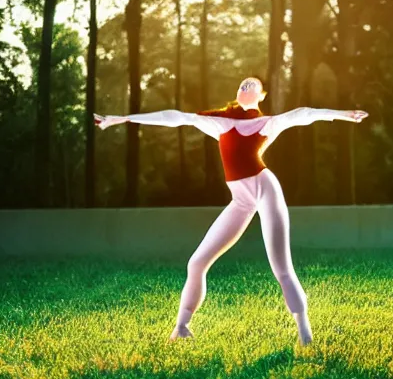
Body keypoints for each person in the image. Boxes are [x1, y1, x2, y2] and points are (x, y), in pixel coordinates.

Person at [94, 76, 368, 346]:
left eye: (252, 85)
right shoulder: (220, 123)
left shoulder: (267, 124)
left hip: (265, 190)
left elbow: (303, 114)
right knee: (196, 263)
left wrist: (344, 114)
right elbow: (175, 117)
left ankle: (305, 334)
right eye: (241, 85)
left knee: (282, 269)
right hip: (241, 201)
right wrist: (121, 119)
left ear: (262, 96)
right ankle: (181, 327)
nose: (244, 88)